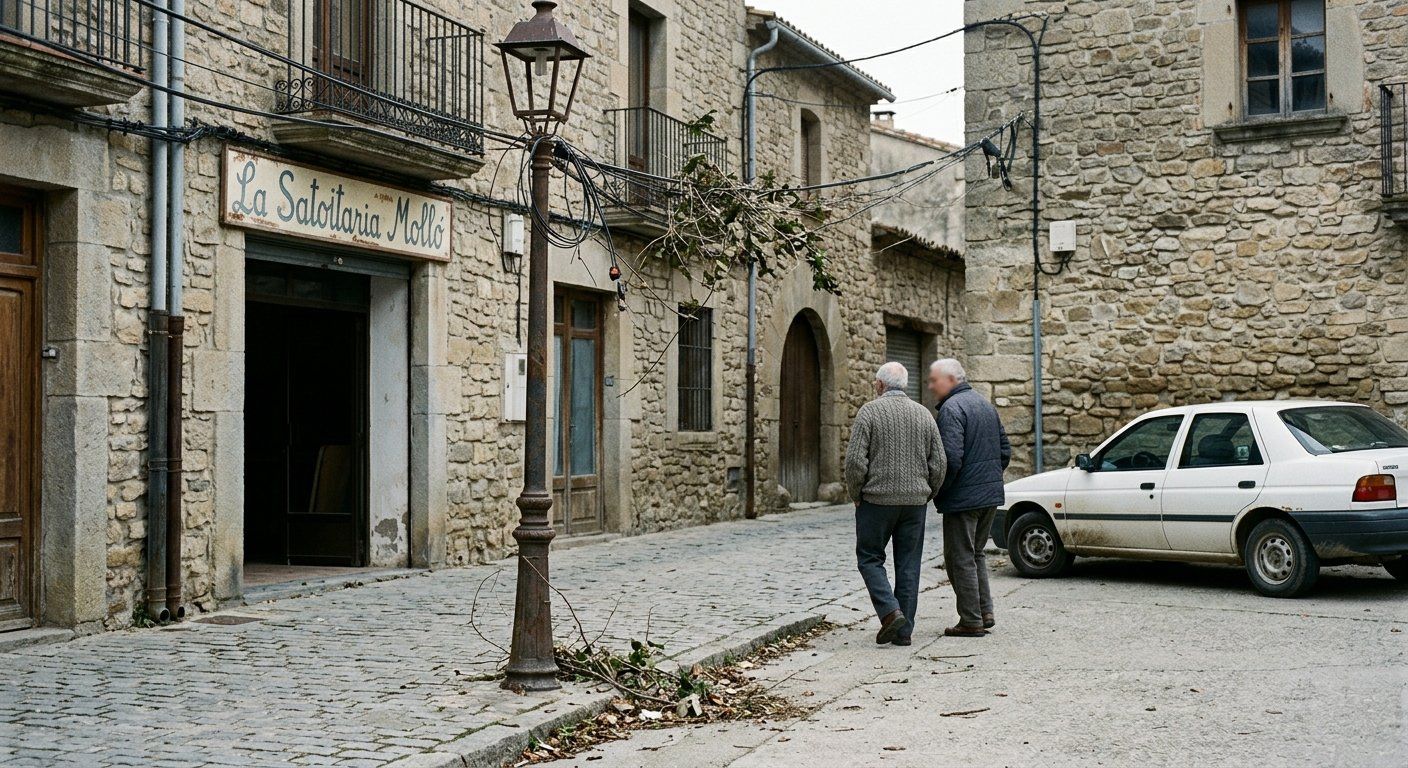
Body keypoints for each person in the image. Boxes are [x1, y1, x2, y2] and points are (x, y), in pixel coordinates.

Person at [844, 362, 946, 647]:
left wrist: (856, 494)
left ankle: (890, 612)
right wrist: (926, 493)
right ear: (905, 385)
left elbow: (854, 461)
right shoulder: (924, 415)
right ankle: (904, 633)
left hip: (876, 500)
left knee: (869, 557)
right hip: (914, 503)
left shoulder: (869, 412)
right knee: (909, 564)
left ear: (879, 385)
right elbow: (939, 463)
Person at [928, 358, 1011, 638]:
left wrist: (940, 489)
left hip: (964, 498)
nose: (930, 386)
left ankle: (971, 619)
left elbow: (950, 459)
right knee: (975, 554)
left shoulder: (952, 409)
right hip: (989, 495)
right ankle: (984, 611)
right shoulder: (984, 404)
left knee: (959, 558)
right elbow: (1005, 452)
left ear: (951, 380)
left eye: (933, 380)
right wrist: (987, 480)